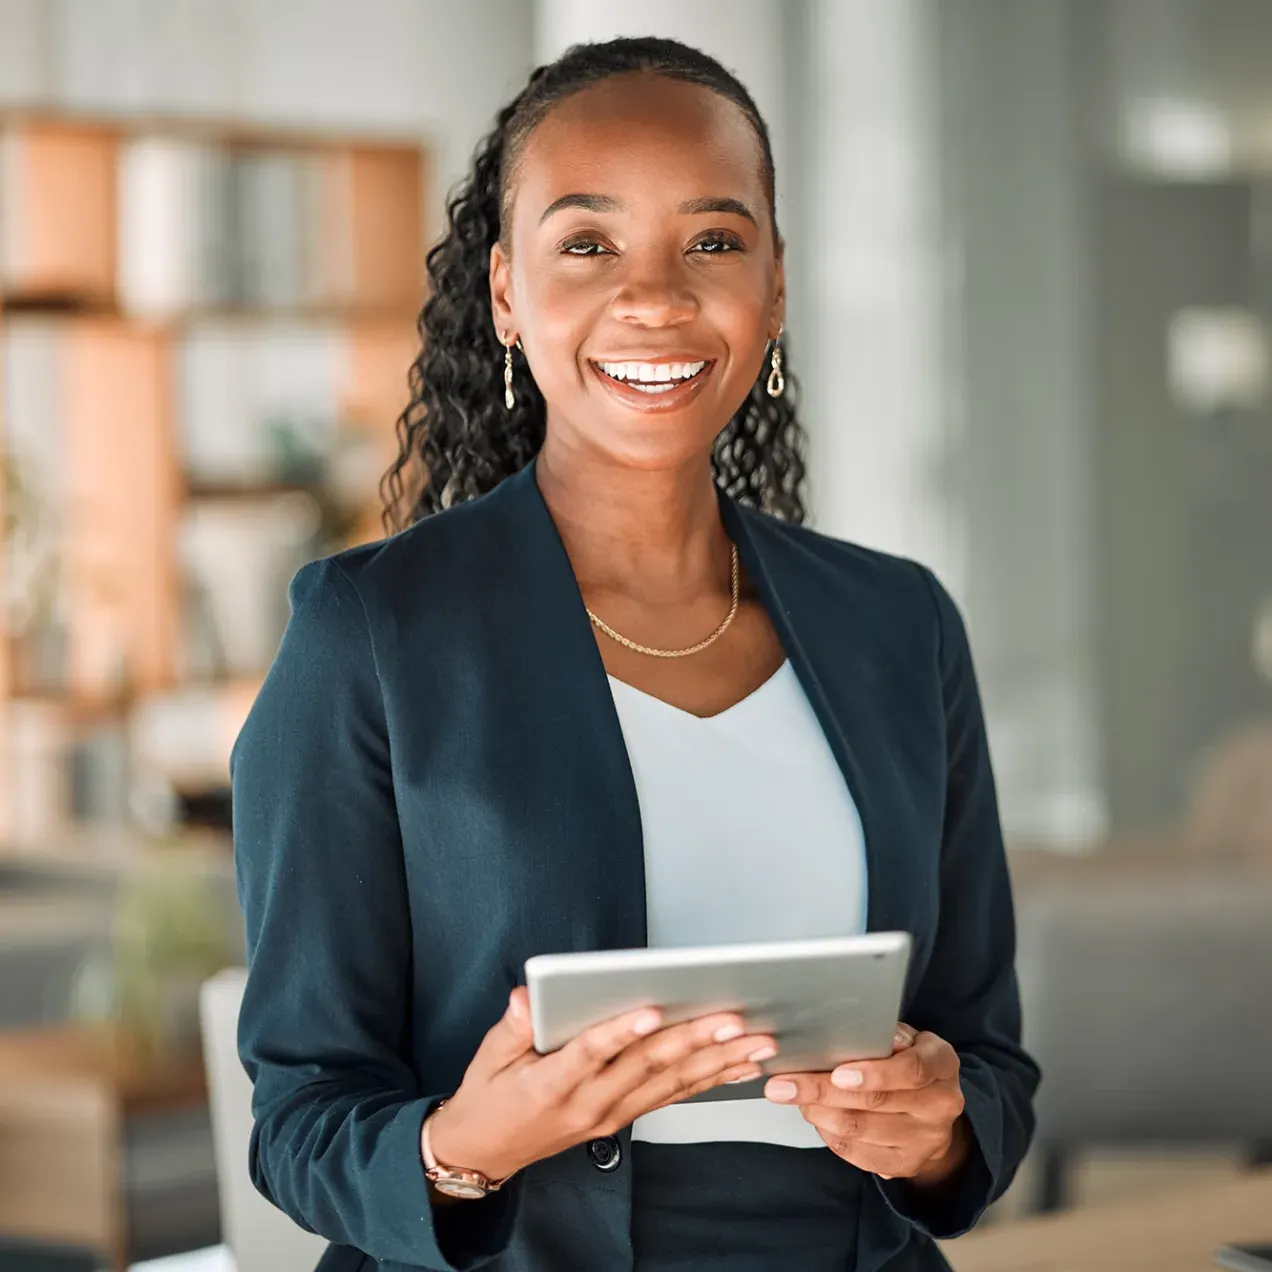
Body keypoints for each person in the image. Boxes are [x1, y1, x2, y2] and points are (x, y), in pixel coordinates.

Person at [232, 36, 1039, 1272]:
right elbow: (301, 1116)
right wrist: (464, 1144)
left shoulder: (900, 625)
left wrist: (937, 1132)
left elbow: (986, 1058)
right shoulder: (372, 632)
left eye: (713, 242)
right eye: (587, 243)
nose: (655, 298)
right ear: (507, 292)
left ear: (774, 288)